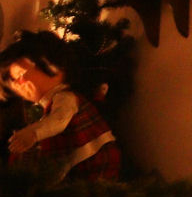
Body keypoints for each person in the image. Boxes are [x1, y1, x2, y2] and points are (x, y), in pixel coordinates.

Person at [2, 35, 121, 181]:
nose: (20, 83)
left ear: (56, 67)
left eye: (21, 73)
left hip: (93, 163)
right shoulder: (44, 108)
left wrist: (32, 133)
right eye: (14, 80)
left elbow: (58, 120)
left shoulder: (65, 97)